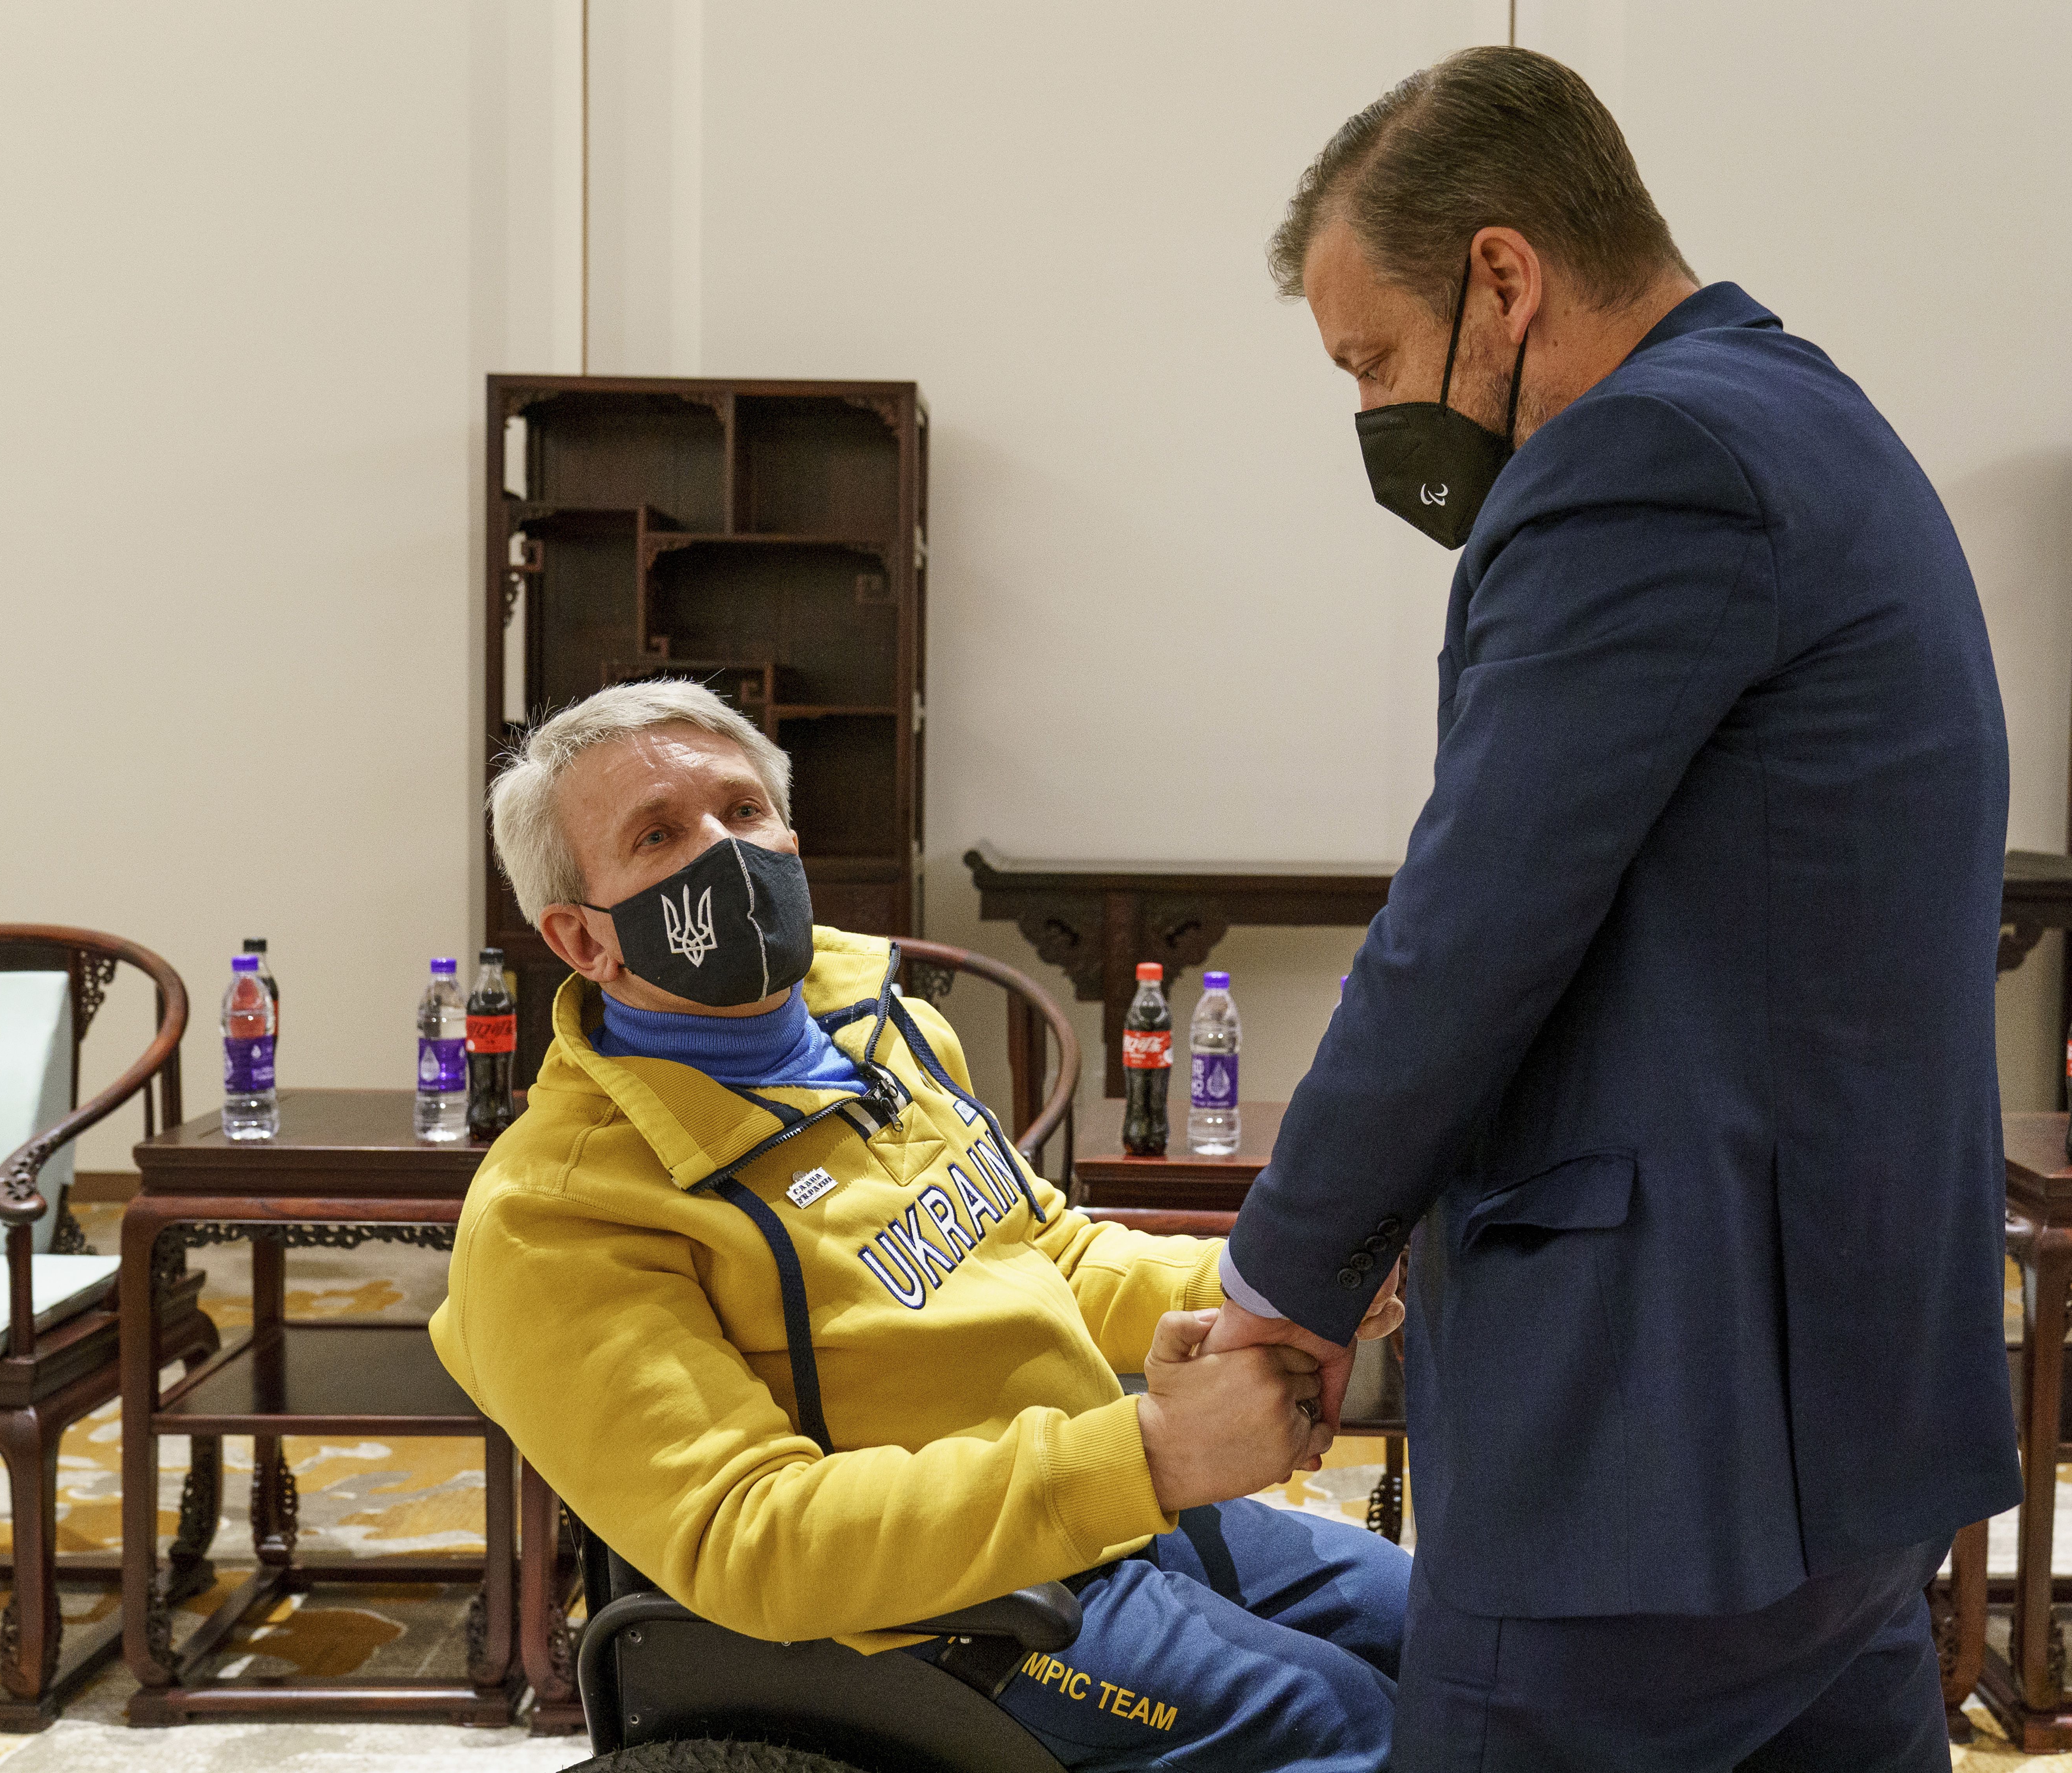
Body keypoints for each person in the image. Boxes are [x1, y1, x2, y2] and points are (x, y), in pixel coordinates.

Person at [1204, 45, 2020, 1773]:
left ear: (1503, 277)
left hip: (1655, 1444)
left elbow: (1474, 927)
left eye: (1371, 360)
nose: (1371, 418)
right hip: (1842, 1428)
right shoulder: (1818, 421)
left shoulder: (1640, 456)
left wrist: (1289, 1281)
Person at [430, 679, 1411, 1772]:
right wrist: (1149, 1451)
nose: (727, 855)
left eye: (744, 813)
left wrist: (1271, 1279)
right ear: (581, 939)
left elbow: (1043, 1250)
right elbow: (753, 1537)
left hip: (1105, 1512)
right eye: (660, 837)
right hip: (932, 1607)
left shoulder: (881, 1027)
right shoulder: (554, 1213)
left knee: (1469, 1640)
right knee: (1355, 1732)